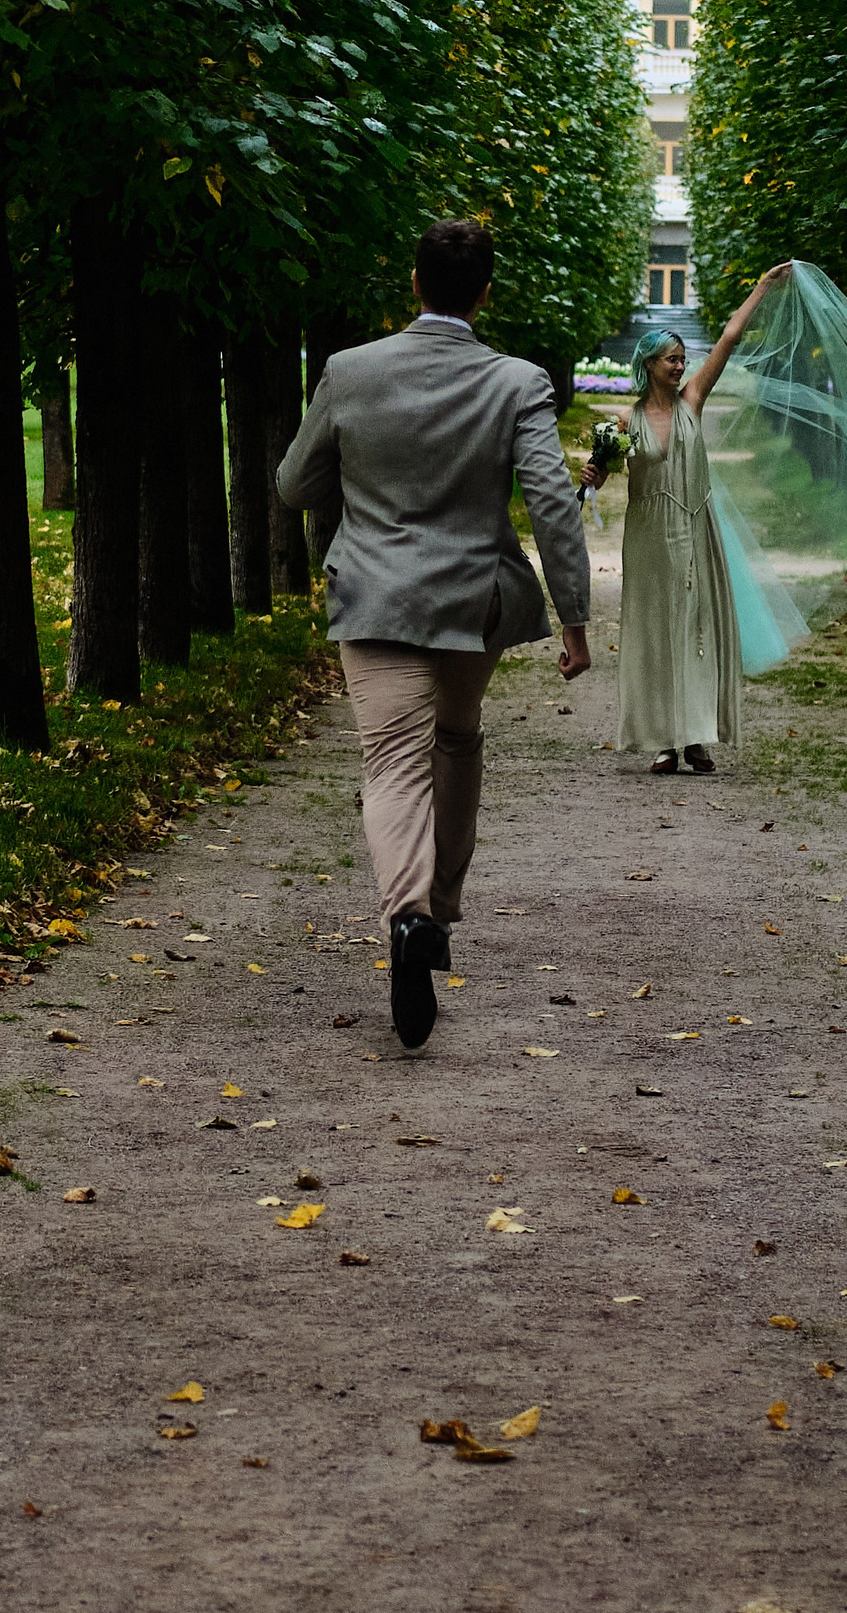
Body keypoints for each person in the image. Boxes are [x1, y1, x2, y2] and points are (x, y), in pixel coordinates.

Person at [274, 218, 592, 1049]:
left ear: (413, 283)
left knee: (392, 762)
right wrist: (574, 617)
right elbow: (551, 503)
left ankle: (407, 915)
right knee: (455, 739)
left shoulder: (349, 371)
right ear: (484, 293)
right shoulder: (518, 382)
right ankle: (438, 911)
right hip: (471, 603)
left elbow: (295, 485)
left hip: (374, 596)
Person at [584, 264, 789, 773]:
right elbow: (602, 477)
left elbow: (729, 339)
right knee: (656, 632)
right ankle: (663, 740)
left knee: (696, 631)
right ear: (649, 364)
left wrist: (762, 287)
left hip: (696, 530)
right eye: (671, 359)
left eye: (682, 359)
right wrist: (592, 473)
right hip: (648, 538)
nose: (680, 366)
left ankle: (696, 738)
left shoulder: (692, 402)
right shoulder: (624, 422)